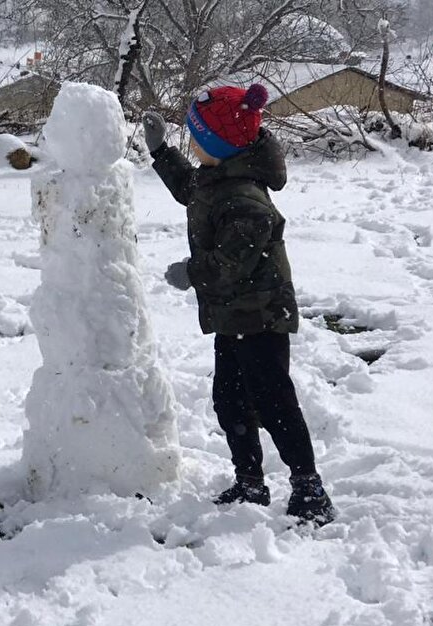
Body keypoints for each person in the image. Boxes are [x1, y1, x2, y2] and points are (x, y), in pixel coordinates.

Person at [142, 83, 336, 525]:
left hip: (262, 317)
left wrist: (190, 272)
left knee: (273, 402)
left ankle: (309, 486)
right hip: (234, 315)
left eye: (195, 138)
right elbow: (191, 189)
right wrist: (160, 153)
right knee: (228, 400)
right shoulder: (220, 177)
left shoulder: (246, 200)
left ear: (219, 144)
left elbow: (232, 262)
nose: (191, 145)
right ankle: (250, 481)